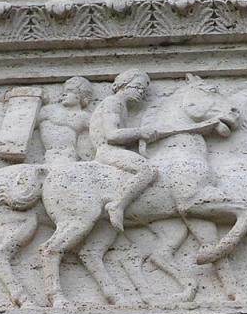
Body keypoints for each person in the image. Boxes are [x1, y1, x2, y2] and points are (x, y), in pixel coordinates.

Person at [89, 69, 158, 231]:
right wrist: (140, 132)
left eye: (143, 90)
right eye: (137, 87)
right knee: (147, 170)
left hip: (114, 151)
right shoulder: (113, 102)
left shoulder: (121, 106)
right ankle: (117, 205)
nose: (140, 92)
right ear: (124, 84)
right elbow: (112, 135)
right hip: (108, 151)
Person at [38, 76, 95, 165]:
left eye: (70, 91)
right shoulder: (49, 110)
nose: (64, 94)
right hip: (49, 155)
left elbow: (100, 132)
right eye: (64, 92)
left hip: (68, 156)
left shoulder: (84, 116)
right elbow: (28, 125)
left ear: (81, 95)